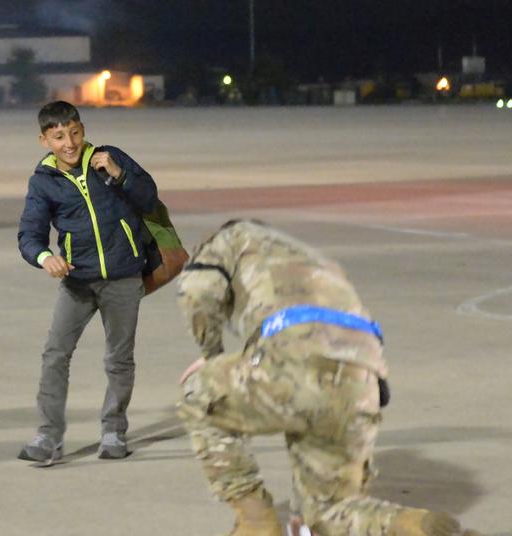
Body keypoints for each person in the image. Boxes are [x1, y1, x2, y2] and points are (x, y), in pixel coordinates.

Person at [175, 220, 480, 536]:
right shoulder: (316, 262)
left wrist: (212, 356)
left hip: (296, 362)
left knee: (199, 394)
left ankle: (256, 523)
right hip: (362, 381)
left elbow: (197, 292)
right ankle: (415, 526)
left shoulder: (229, 239)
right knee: (331, 512)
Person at [17, 100, 158, 461]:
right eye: (59, 136)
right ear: (44, 139)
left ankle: (113, 431)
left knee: (119, 359)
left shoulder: (109, 158)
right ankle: (48, 437)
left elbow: (148, 198)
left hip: (124, 277)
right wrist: (45, 257)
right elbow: (29, 235)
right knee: (55, 355)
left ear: (83, 129)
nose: (70, 143)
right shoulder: (43, 181)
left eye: (75, 133)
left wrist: (118, 174)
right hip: (77, 281)